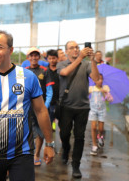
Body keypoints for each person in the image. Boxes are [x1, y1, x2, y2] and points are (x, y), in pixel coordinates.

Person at [0, 30, 55, 181]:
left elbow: (41, 111)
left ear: (11, 50)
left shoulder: (29, 77)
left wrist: (49, 143)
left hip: (22, 153)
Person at [57, 40, 99, 178]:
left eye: (77, 47)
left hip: (83, 107)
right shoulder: (62, 63)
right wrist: (81, 57)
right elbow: (64, 73)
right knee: (64, 134)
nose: (75, 50)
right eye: (72, 48)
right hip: (66, 106)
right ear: (67, 51)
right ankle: (66, 149)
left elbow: (96, 78)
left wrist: (92, 60)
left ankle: (76, 165)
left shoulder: (86, 64)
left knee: (80, 137)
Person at [25, 47, 53, 167]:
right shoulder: (23, 71)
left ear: (39, 57)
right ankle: (27, 155)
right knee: (27, 132)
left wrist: (44, 107)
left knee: (41, 132)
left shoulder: (45, 71)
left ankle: (36, 154)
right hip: (27, 109)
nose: (34, 58)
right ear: (28, 58)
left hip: (40, 109)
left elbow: (50, 91)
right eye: (31, 55)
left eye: (36, 55)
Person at [88, 74, 111, 156]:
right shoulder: (91, 88)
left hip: (102, 111)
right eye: (98, 79)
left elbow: (110, 99)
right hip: (93, 110)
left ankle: (100, 136)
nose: (100, 81)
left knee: (101, 129)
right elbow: (85, 96)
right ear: (94, 80)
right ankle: (94, 145)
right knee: (93, 127)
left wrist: (106, 93)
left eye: (101, 79)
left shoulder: (105, 88)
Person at [46, 49, 60, 131]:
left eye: (54, 58)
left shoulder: (60, 69)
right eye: (50, 58)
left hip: (59, 98)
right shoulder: (45, 71)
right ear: (47, 59)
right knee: (50, 115)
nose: (52, 60)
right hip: (49, 99)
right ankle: (52, 126)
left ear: (57, 58)